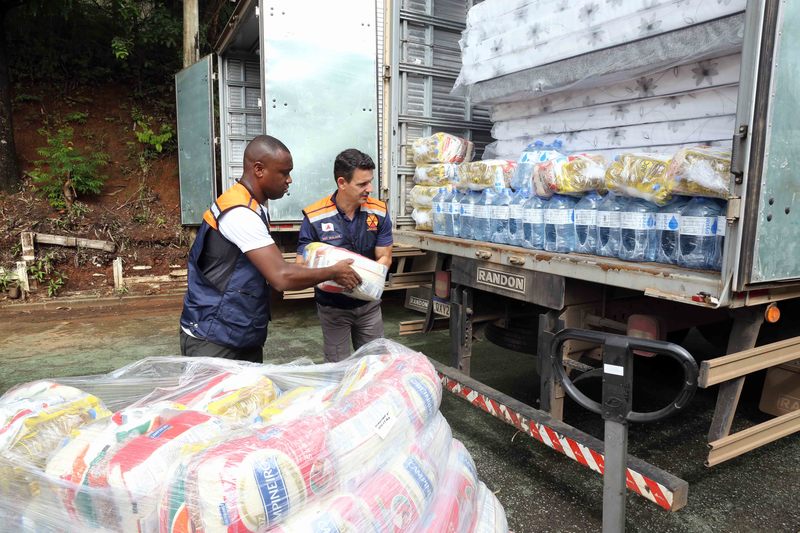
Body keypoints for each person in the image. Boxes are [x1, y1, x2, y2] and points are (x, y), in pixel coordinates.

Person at [180, 135, 361, 362]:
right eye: (284, 172)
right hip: (215, 337)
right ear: (259, 169)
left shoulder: (253, 206)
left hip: (239, 330)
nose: (289, 180)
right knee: (219, 398)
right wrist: (334, 271)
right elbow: (281, 276)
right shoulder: (240, 213)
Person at [296, 148, 393, 362]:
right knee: (337, 369)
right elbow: (302, 265)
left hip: (368, 307)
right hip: (333, 308)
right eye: (362, 184)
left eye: (370, 182)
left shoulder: (379, 212)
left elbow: (385, 256)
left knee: (375, 366)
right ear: (342, 183)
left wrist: (370, 283)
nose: (369, 189)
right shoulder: (315, 217)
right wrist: (331, 274)